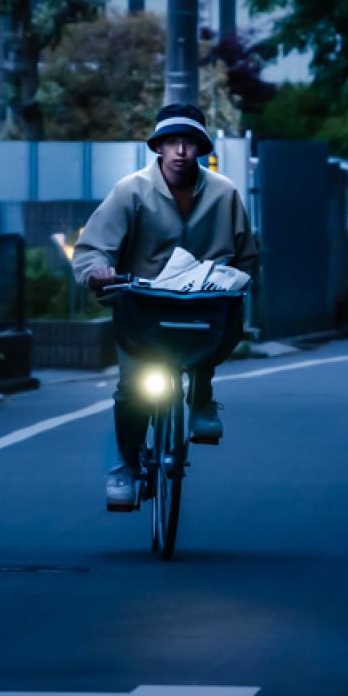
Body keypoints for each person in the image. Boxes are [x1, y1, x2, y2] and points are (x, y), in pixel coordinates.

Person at [71, 103, 259, 511]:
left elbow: (246, 254)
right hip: (144, 304)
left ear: (201, 148)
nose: (179, 151)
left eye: (188, 143)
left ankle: (202, 396)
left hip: (204, 303)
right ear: (157, 147)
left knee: (219, 327)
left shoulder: (225, 193)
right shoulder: (130, 190)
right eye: (171, 142)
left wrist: (237, 282)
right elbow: (94, 246)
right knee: (131, 389)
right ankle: (126, 463)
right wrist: (98, 270)